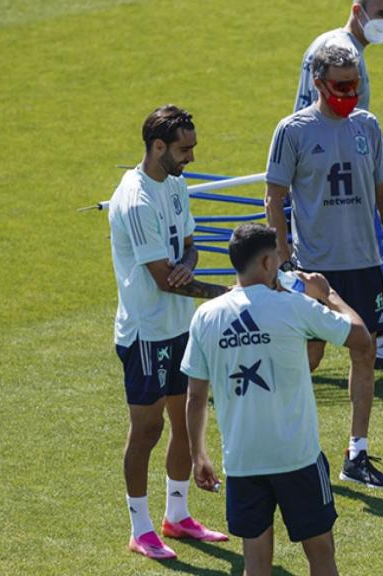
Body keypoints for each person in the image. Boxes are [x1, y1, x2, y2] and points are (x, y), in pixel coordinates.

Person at [184, 223, 376, 576]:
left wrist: (198, 454)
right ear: (268, 263)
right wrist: (328, 293)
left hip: (242, 461)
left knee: (256, 565)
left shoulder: (205, 317)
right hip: (297, 457)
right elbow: (361, 338)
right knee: (321, 556)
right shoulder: (295, 306)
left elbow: (196, 397)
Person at [265, 42, 383, 488]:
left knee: (365, 349)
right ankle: (279, 438)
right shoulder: (293, 131)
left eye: (355, 83)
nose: (350, 92)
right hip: (316, 268)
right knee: (311, 355)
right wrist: (284, 263)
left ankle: (355, 454)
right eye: (341, 85)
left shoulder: (368, 126)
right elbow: (274, 198)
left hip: (363, 263)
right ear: (318, 83)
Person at [107, 104, 230, 559]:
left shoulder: (175, 185)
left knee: (183, 422)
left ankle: (176, 517)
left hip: (180, 325)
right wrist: (230, 293)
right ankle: (140, 529)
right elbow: (161, 279)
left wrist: (188, 266)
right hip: (147, 333)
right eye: (184, 149)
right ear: (157, 147)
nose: (191, 158)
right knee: (148, 429)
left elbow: (190, 246)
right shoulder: (136, 200)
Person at [293, 0, 383, 371]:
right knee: (322, 300)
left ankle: (381, 342)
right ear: (358, 9)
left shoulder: (346, 49)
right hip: (330, 189)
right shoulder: (336, 51)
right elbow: (315, 121)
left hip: (339, 176)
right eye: (380, 14)